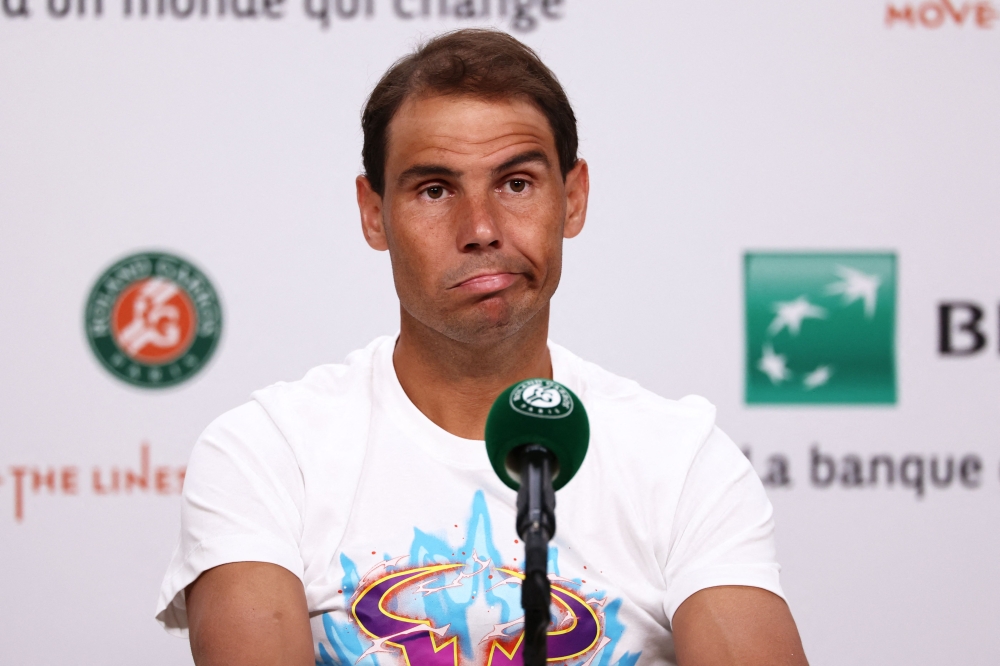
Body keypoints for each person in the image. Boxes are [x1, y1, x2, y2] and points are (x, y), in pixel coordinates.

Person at [156, 29, 808, 666]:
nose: (481, 229)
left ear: (573, 198)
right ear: (373, 212)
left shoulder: (680, 459)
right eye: (435, 190)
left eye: (516, 183)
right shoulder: (268, 453)